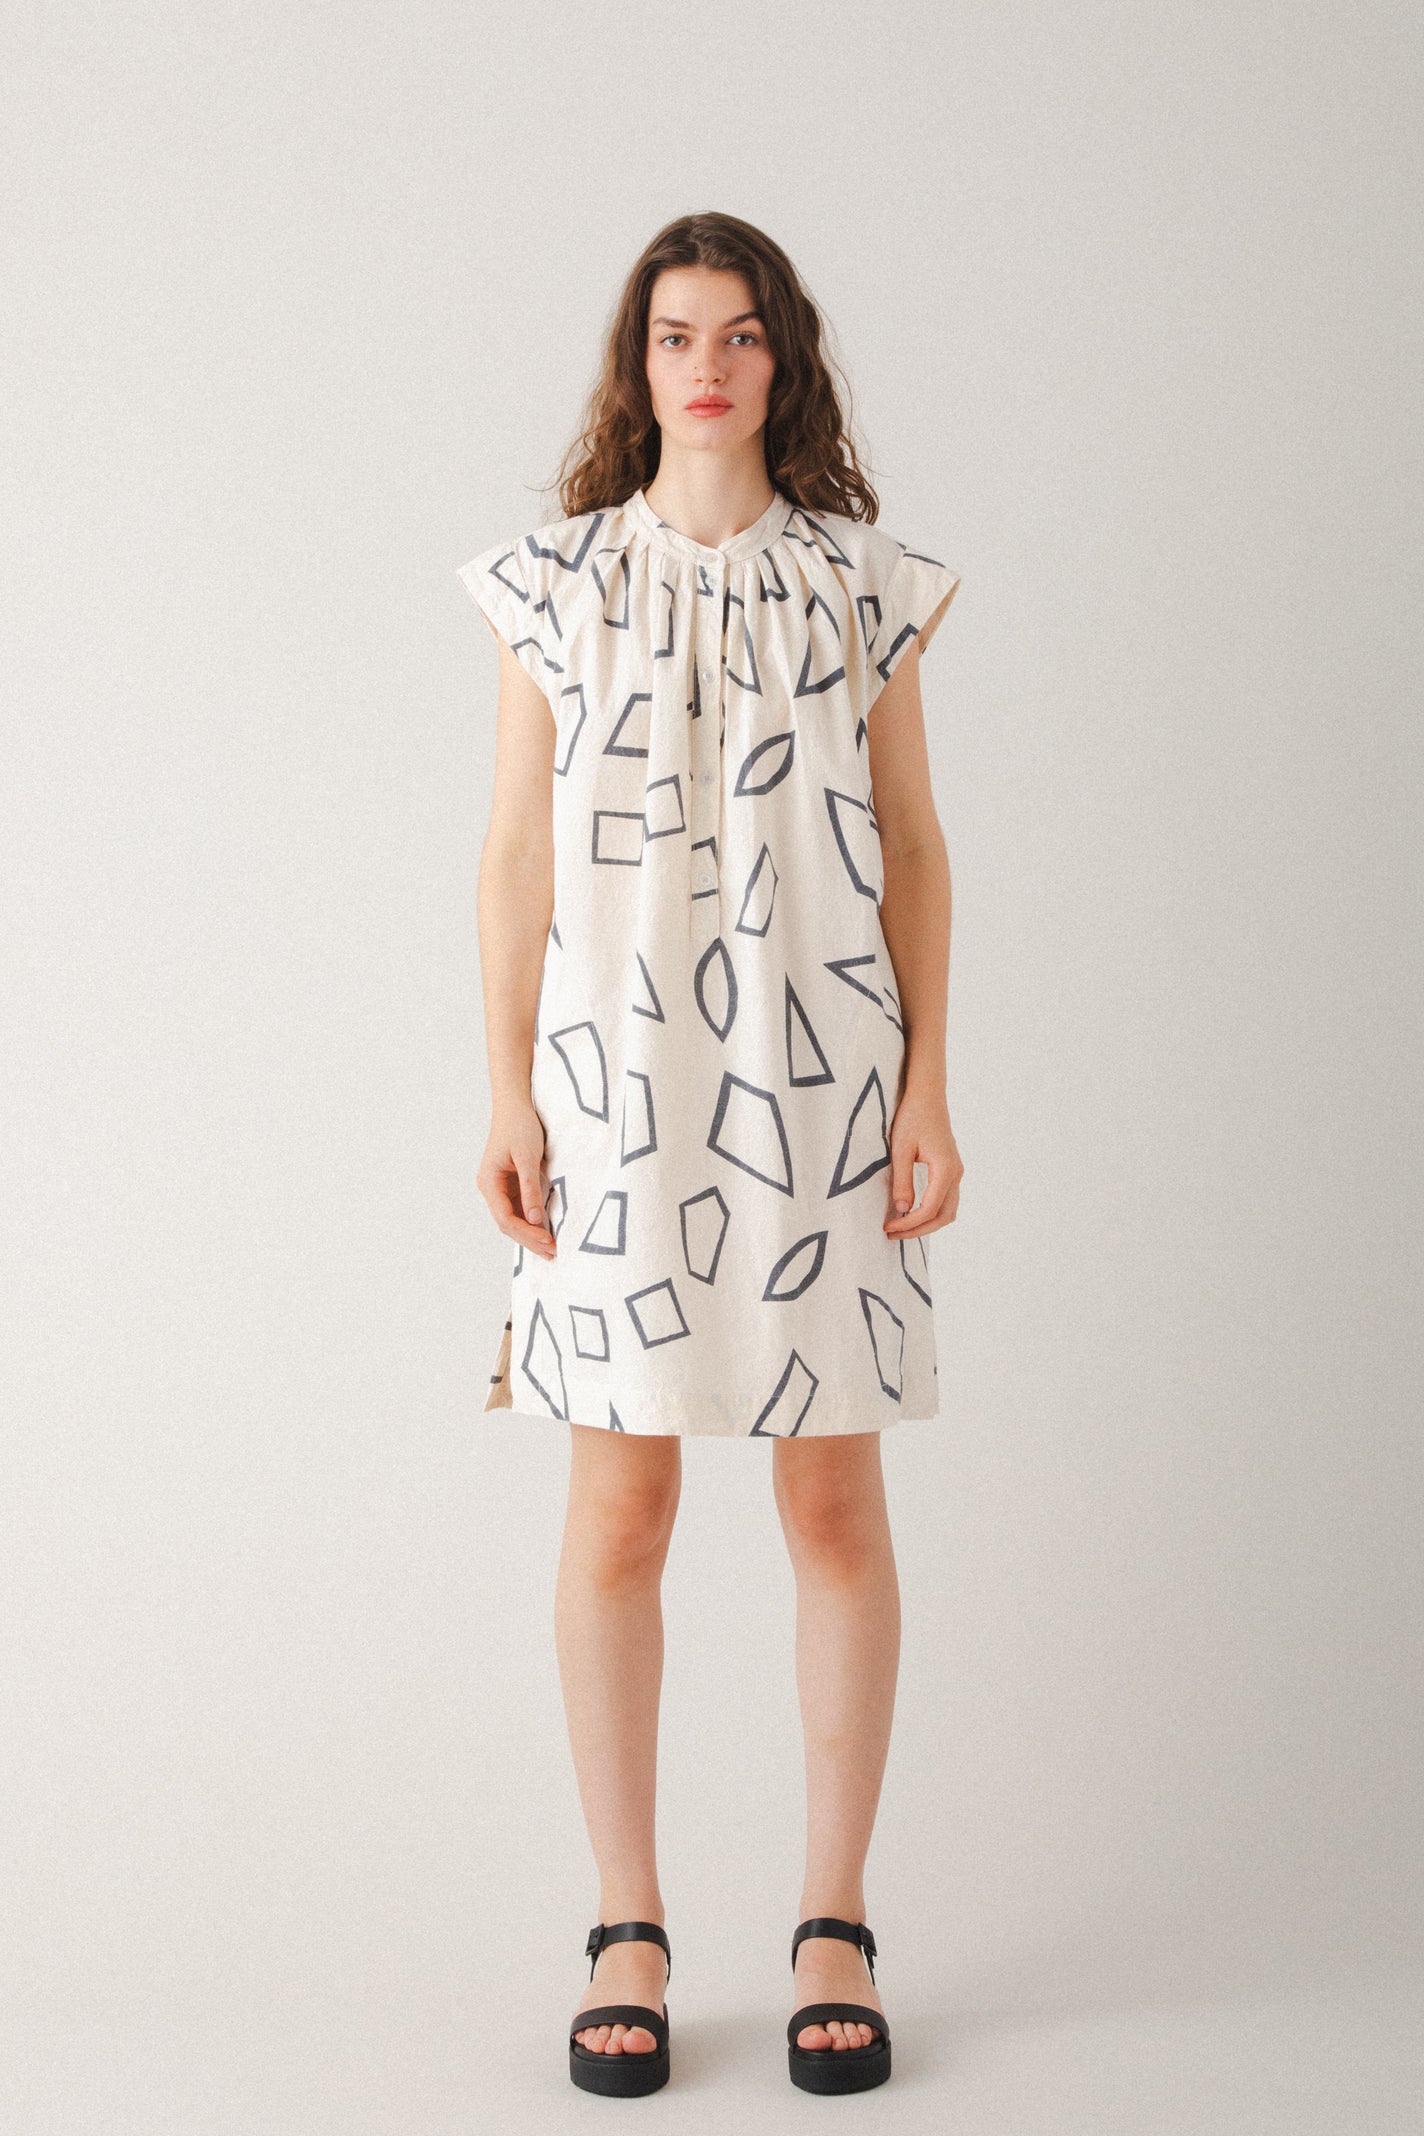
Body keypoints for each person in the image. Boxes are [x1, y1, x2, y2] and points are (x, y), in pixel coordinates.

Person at [455, 210, 964, 2096]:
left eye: (741, 334)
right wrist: (507, 1091)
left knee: (832, 1509)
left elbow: (914, 843)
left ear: (782, 359)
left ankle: (836, 1917)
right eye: (677, 334)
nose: (709, 365)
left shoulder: (863, 585)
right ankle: (628, 1920)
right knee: (620, 1511)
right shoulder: (555, 584)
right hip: (615, 1088)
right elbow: (514, 853)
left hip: (820, 1088)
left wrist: (928, 1087)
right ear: (638, 361)